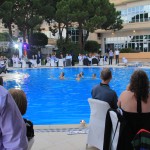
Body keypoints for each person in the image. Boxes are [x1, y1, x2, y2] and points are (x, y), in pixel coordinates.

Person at [117, 70, 150, 149]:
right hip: (147, 139)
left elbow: (118, 107)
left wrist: (128, 90)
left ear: (132, 82)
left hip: (127, 139)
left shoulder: (124, 95)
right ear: (146, 83)